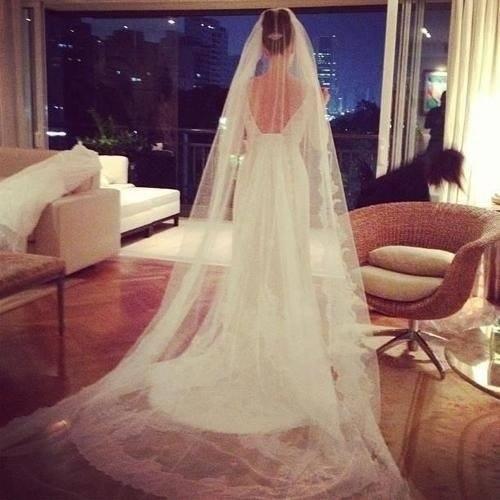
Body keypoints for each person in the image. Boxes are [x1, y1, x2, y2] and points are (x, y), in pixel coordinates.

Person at [0, 9, 408, 499]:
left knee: (253, 260)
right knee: (288, 262)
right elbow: (314, 152)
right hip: (288, 180)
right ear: (293, 46)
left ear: (262, 46)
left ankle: (249, 339)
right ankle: (279, 345)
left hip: (256, 178)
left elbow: (238, 141)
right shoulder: (310, 93)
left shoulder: (247, 89)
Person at [357, 148, 464, 208]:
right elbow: (420, 209)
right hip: (369, 208)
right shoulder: (417, 178)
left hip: (369, 201)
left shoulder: (417, 169)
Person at [425, 90, 446, 154]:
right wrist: (436, 122)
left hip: (447, 140)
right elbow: (427, 125)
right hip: (435, 140)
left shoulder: (452, 114)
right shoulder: (434, 111)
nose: (445, 101)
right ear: (441, 99)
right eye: (444, 99)